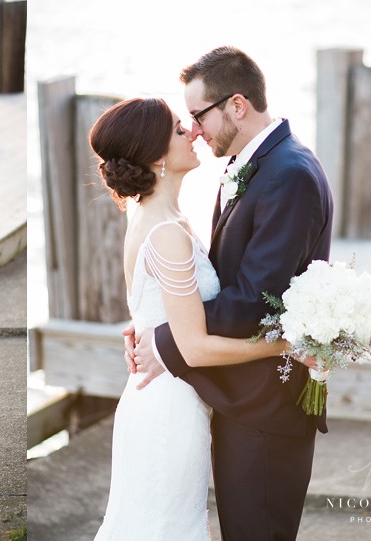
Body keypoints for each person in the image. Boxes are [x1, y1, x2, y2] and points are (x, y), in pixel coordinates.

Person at [129, 46, 334, 540]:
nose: (194, 129)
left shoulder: (289, 175)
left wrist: (167, 340)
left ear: (236, 106)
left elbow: (252, 302)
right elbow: (225, 278)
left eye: (198, 115)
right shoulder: (259, 163)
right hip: (243, 394)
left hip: (267, 405)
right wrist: (159, 318)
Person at [88, 96, 292, 540]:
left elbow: (148, 309)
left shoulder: (151, 214)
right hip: (169, 412)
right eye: (181, 130)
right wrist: (286, 345)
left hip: (157, 398)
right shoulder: (166, 233)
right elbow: (195, 349)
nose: (193, 133)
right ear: (158, 156)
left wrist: (146, 332)